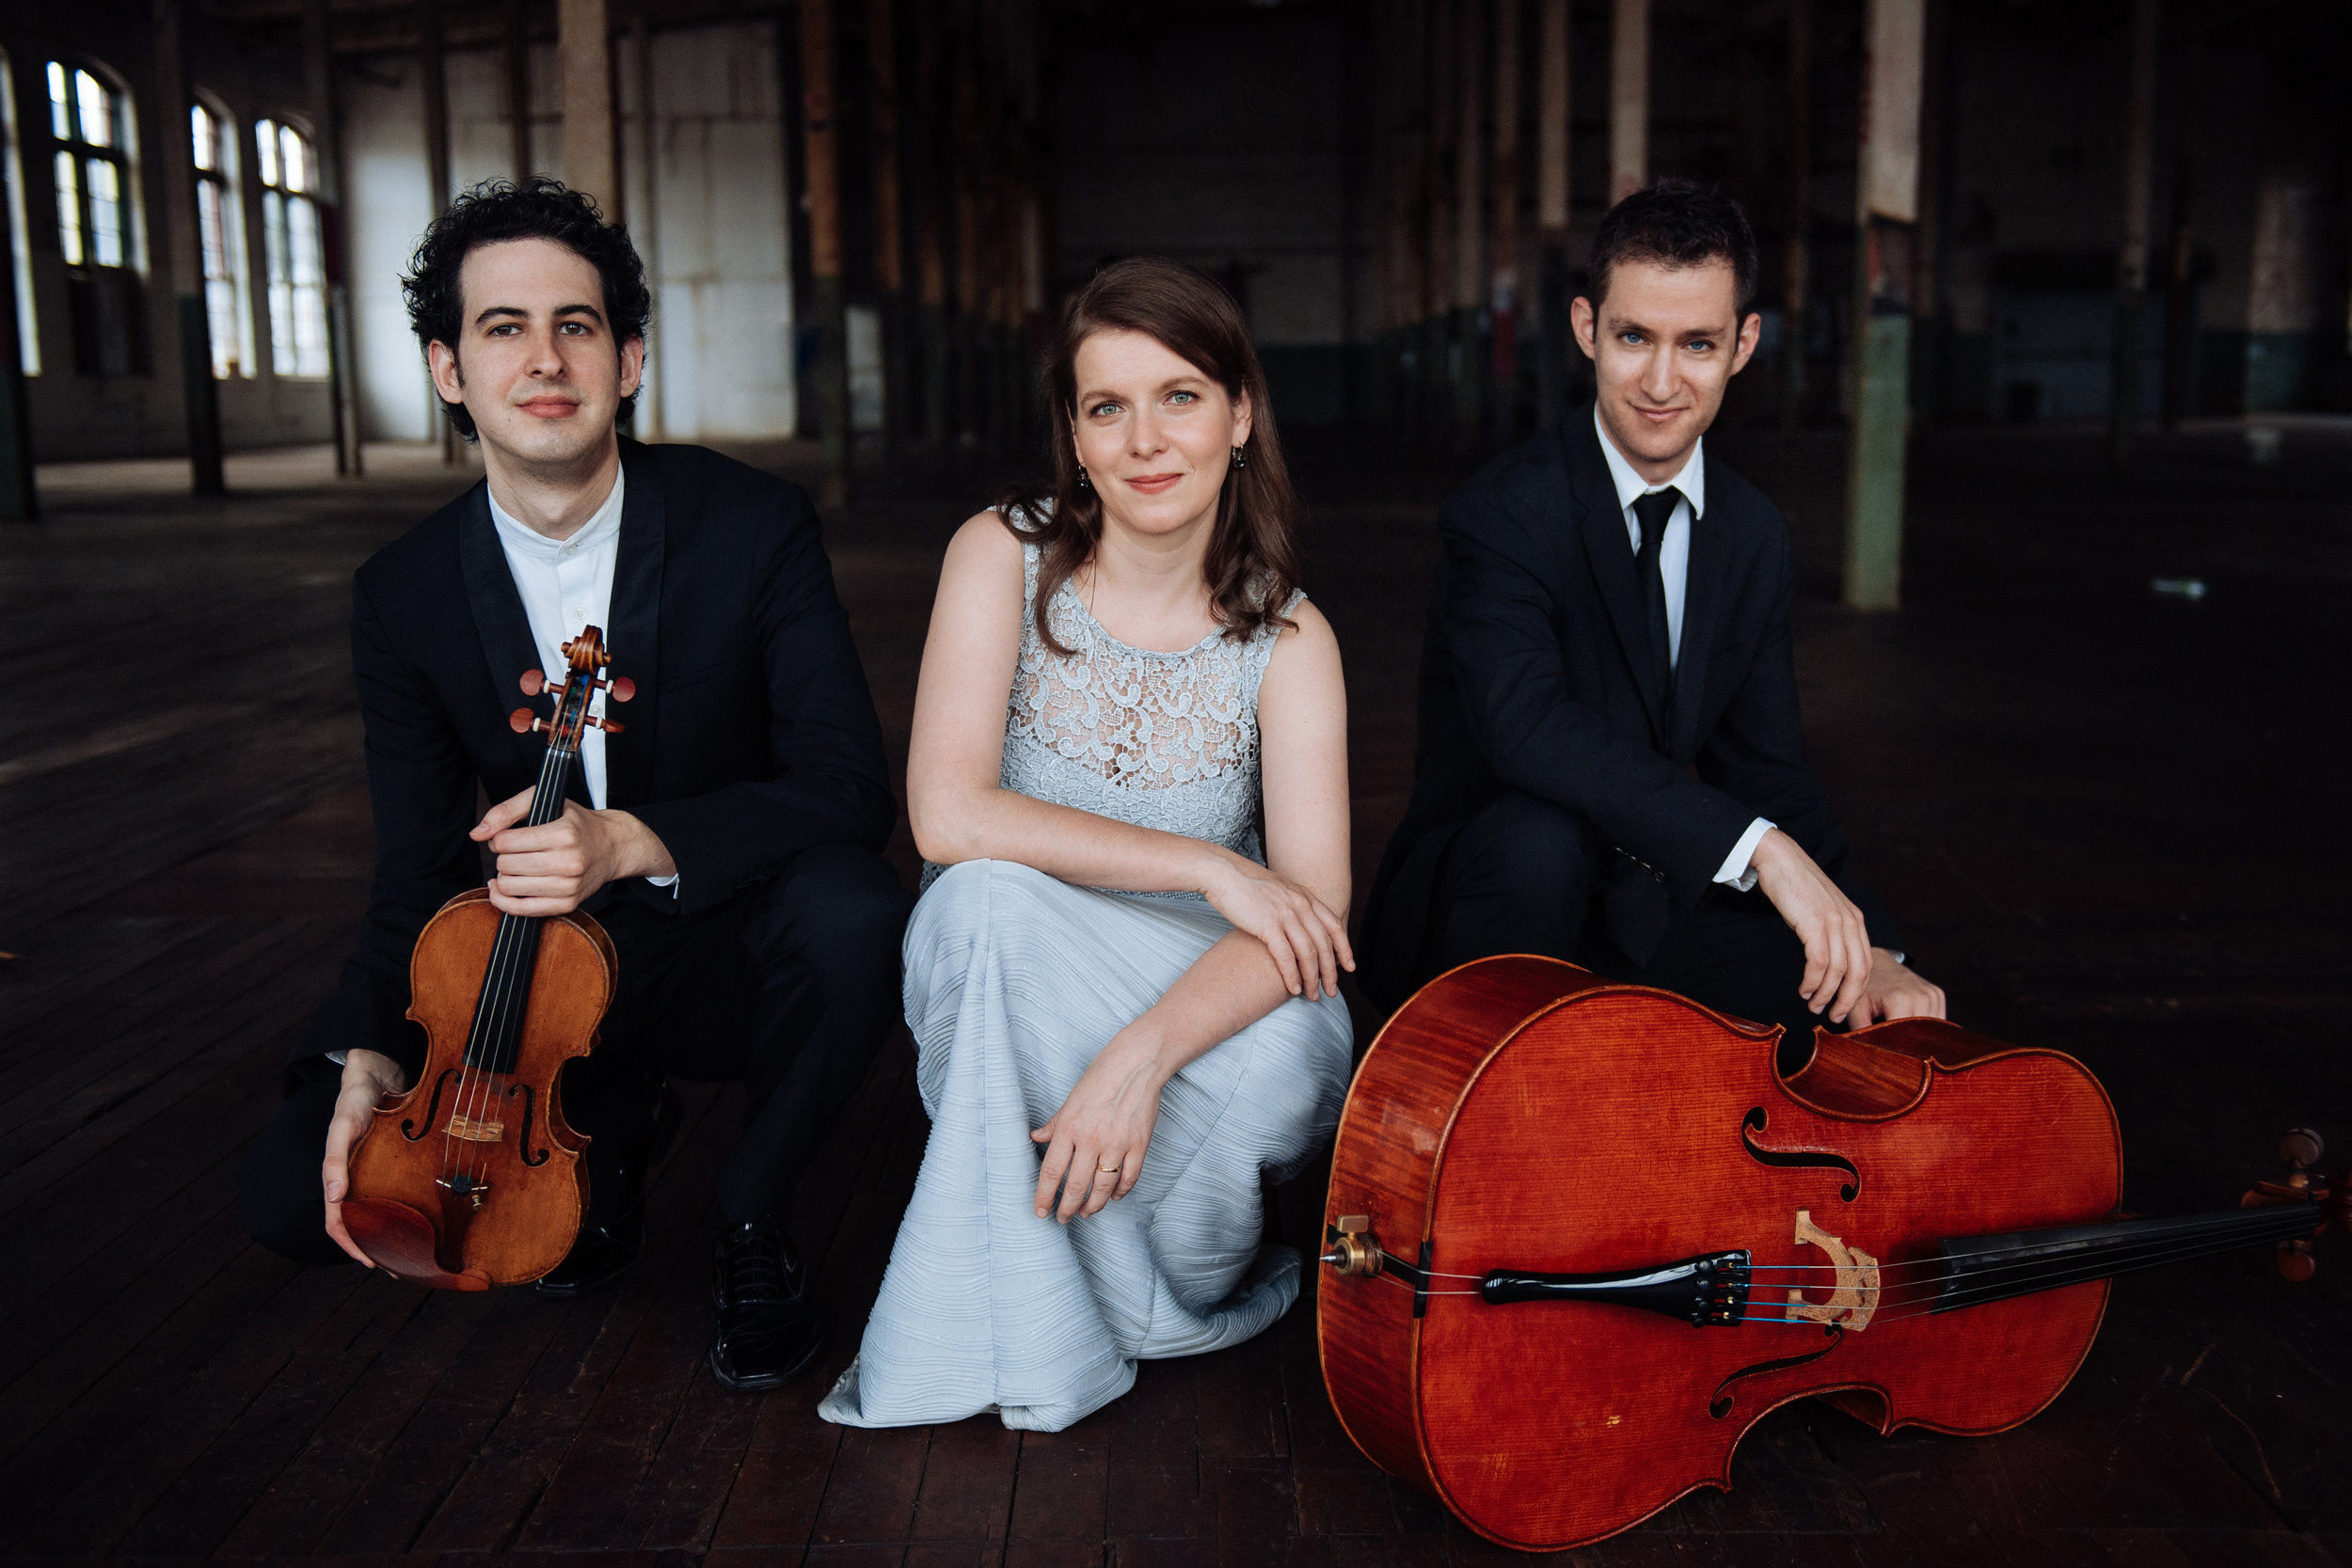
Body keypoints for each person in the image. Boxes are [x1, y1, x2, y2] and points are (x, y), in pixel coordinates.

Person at [238, 178, 913, 1391]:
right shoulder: (400, 592)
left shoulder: (750, 524)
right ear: (448, 370)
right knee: (297, 1193)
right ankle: (608, 1140)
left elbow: (848, 785)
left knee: (855, 908)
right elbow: (413, 867)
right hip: (524, 993)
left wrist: (632, 839)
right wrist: (366, 1054)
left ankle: (752, 1213)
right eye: (502, 328)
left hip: (709, 947)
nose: (543, 358)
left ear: (631, 357)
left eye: (577, 324)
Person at [818, 257, 1356, 1433]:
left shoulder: (1290, 635)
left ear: (1240, 412)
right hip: (1027, 962)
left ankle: (1131, 1285)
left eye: (1180, 396)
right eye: (1106, 406)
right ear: (1072, 430)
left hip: (1201, 986)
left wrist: (1141, 1059)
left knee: (1290, 1047)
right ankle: (1068, 1310)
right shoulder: (999, 555)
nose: (1145, 440)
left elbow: (1310, 921)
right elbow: (946, 818)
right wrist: (1213, 861)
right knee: (981, 901)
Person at [1362, 180, 1947, 1058]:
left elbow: (1770, 768)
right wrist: (1759, 850)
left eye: (1698, 343)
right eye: (1635, 337)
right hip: (1497, 903)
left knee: (1828, 1015)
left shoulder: (1750, 534)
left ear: (1744, 344)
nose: (1663, 381)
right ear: (1586, 328)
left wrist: (1872, 947)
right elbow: (1527, 729)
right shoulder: (1504, 512)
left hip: (1645, 893)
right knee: (1541, 840)